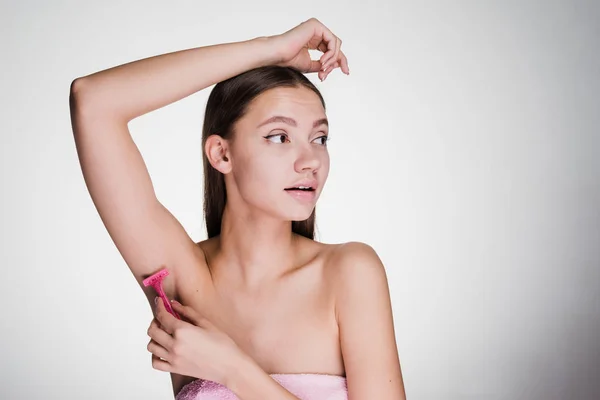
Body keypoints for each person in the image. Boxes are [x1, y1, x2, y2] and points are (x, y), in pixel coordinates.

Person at [69, 17, 406, 400]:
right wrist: (268, 49)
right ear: (221, 153)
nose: (310, 159)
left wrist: (232, 369)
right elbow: (92, 100)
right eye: (279, 136)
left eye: (320, 137)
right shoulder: (184, 278)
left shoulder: (350, 274)